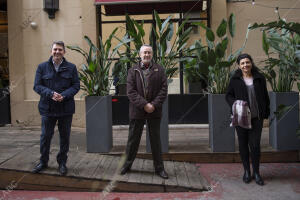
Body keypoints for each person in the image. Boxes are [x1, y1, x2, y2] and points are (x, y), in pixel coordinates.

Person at [120, 45, 168, 179]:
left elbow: (163, 90)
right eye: (144, 52)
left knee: (156, 141)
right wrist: (144, 104)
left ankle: (160, 169)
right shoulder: (132, 70)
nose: (147, 55)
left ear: (152, 54)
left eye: (149, 52)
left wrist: (153, 105)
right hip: (137, 110)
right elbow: (130, 92)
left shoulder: (160, 70)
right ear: (140, 54)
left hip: (154, 110)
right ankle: (126, 166)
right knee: (133, 139)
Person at [32, 41, 80, 175]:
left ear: (64, 52)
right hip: (48, 109)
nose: (57, 52)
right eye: (55, 49)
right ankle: (43, 162)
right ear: (51, 51)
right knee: (45, 137)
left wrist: (63, 96)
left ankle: (62, 163)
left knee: (65, 137)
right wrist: (51, 94)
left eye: (60, 50)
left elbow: (76, 86)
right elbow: (37, 86)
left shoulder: (71, 67)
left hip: (65, 109)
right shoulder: (42, 67)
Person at [226, 53, 270, 186]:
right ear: (239, 66)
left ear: (251, 63)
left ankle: (256, 173)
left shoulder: (259, 78)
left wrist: (265, 112)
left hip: (256, 117)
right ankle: (246, 171)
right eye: (243, 63)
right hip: (241, 118)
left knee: (255, 145)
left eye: (247, 62)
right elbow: (228, 96)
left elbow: (265, 96)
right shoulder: (235, 79)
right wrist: (237, 104)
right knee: (243, 144)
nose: (245, 65)